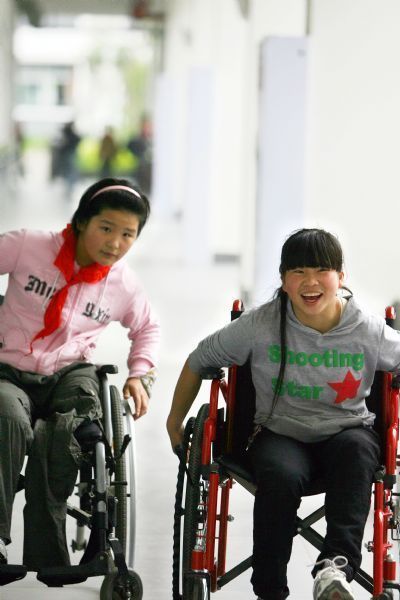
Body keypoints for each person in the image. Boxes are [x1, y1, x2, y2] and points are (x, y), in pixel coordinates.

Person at [166, 228, 400, 600]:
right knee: (280, 473)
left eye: (321, 270)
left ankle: (333, 570)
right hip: (280, 434)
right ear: (283, 280)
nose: (310, 282)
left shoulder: (367, 330)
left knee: (357, 453)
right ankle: (270, 588)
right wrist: (174, 420)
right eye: (298, 272)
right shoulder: (260, 325)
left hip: (347, 433)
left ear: (341, 277)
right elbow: (200, 358)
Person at [0, 177, 160, 571]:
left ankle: (51, 554)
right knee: (6, 418)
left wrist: (139, 375)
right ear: (83, 221)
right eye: (107, 228)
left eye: (128, 235)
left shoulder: (123, 284)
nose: (115, 243)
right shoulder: (29, 246)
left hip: (70, 371)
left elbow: (147, 329)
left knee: (71, 429)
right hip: (10, 369)